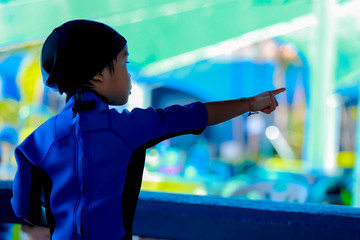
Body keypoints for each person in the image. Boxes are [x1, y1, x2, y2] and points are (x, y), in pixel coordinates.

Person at [11, 19, 285, 240]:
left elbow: (24, 208)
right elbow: (193, 115)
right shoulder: (127, 128)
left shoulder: (37, 142)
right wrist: (250, 103)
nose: (129, 74)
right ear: (98, 74)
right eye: (124, 63)